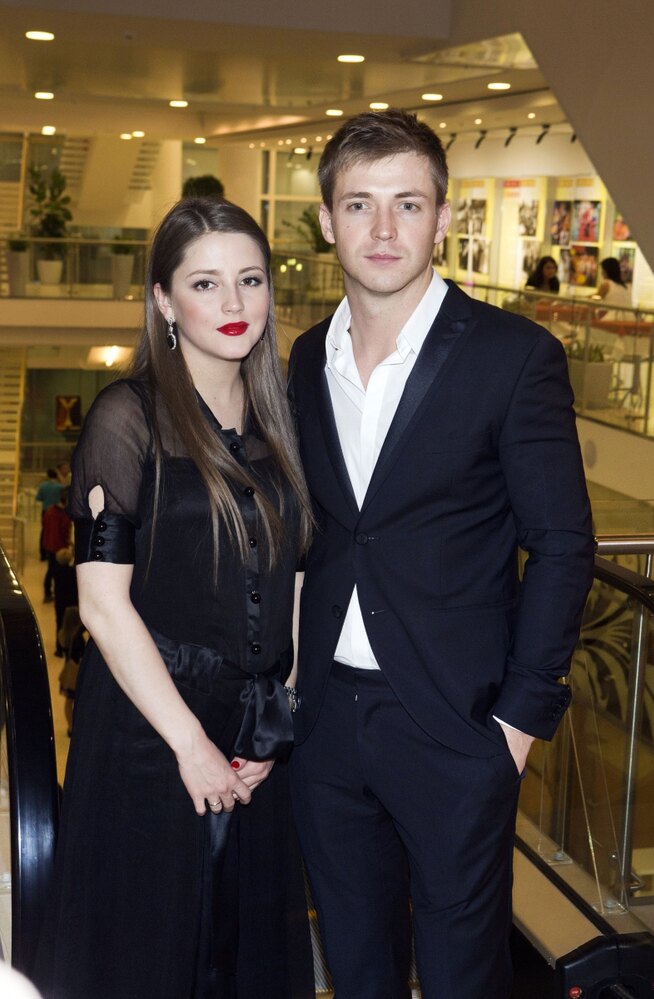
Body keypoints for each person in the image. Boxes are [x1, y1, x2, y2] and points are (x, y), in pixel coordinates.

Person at [287, 109, 594, 999]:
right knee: (356, 965)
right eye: (360, 204)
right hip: (326, 725)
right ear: (327, 220)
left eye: (408, 204)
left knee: (464, 975)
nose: (384, 229)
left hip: (457, 725)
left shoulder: (514, 355)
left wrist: (517, 724)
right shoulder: (304, 360)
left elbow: (562, 543)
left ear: (443, 217)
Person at [33, 197, 315, 999]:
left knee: (249, 957)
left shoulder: (282, 419)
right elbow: (102, 606)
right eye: (205, 283)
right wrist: (191, 745)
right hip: (151, 735)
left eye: (250, 280)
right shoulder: (128, 417)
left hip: (256, 743)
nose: (233, 302)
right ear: (164, 299)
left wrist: (279, 719)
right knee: (146, 955)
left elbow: (297, 580)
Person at [41, 489, 72, 619]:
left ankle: (47, 592)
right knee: (57, 572)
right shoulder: (64, 515)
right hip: (58, 546)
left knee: (50, 569)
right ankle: (52, 593)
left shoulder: (49, 510)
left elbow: (44, 524)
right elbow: (65, 531)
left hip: (49, 544)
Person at [35, 468, 62, 591]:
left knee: (45, 532)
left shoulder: (43, 486)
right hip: (57, 511)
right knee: (55, 532)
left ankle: (43, 554)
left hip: (45, 511)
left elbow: (38, 498)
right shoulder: (60, 487)